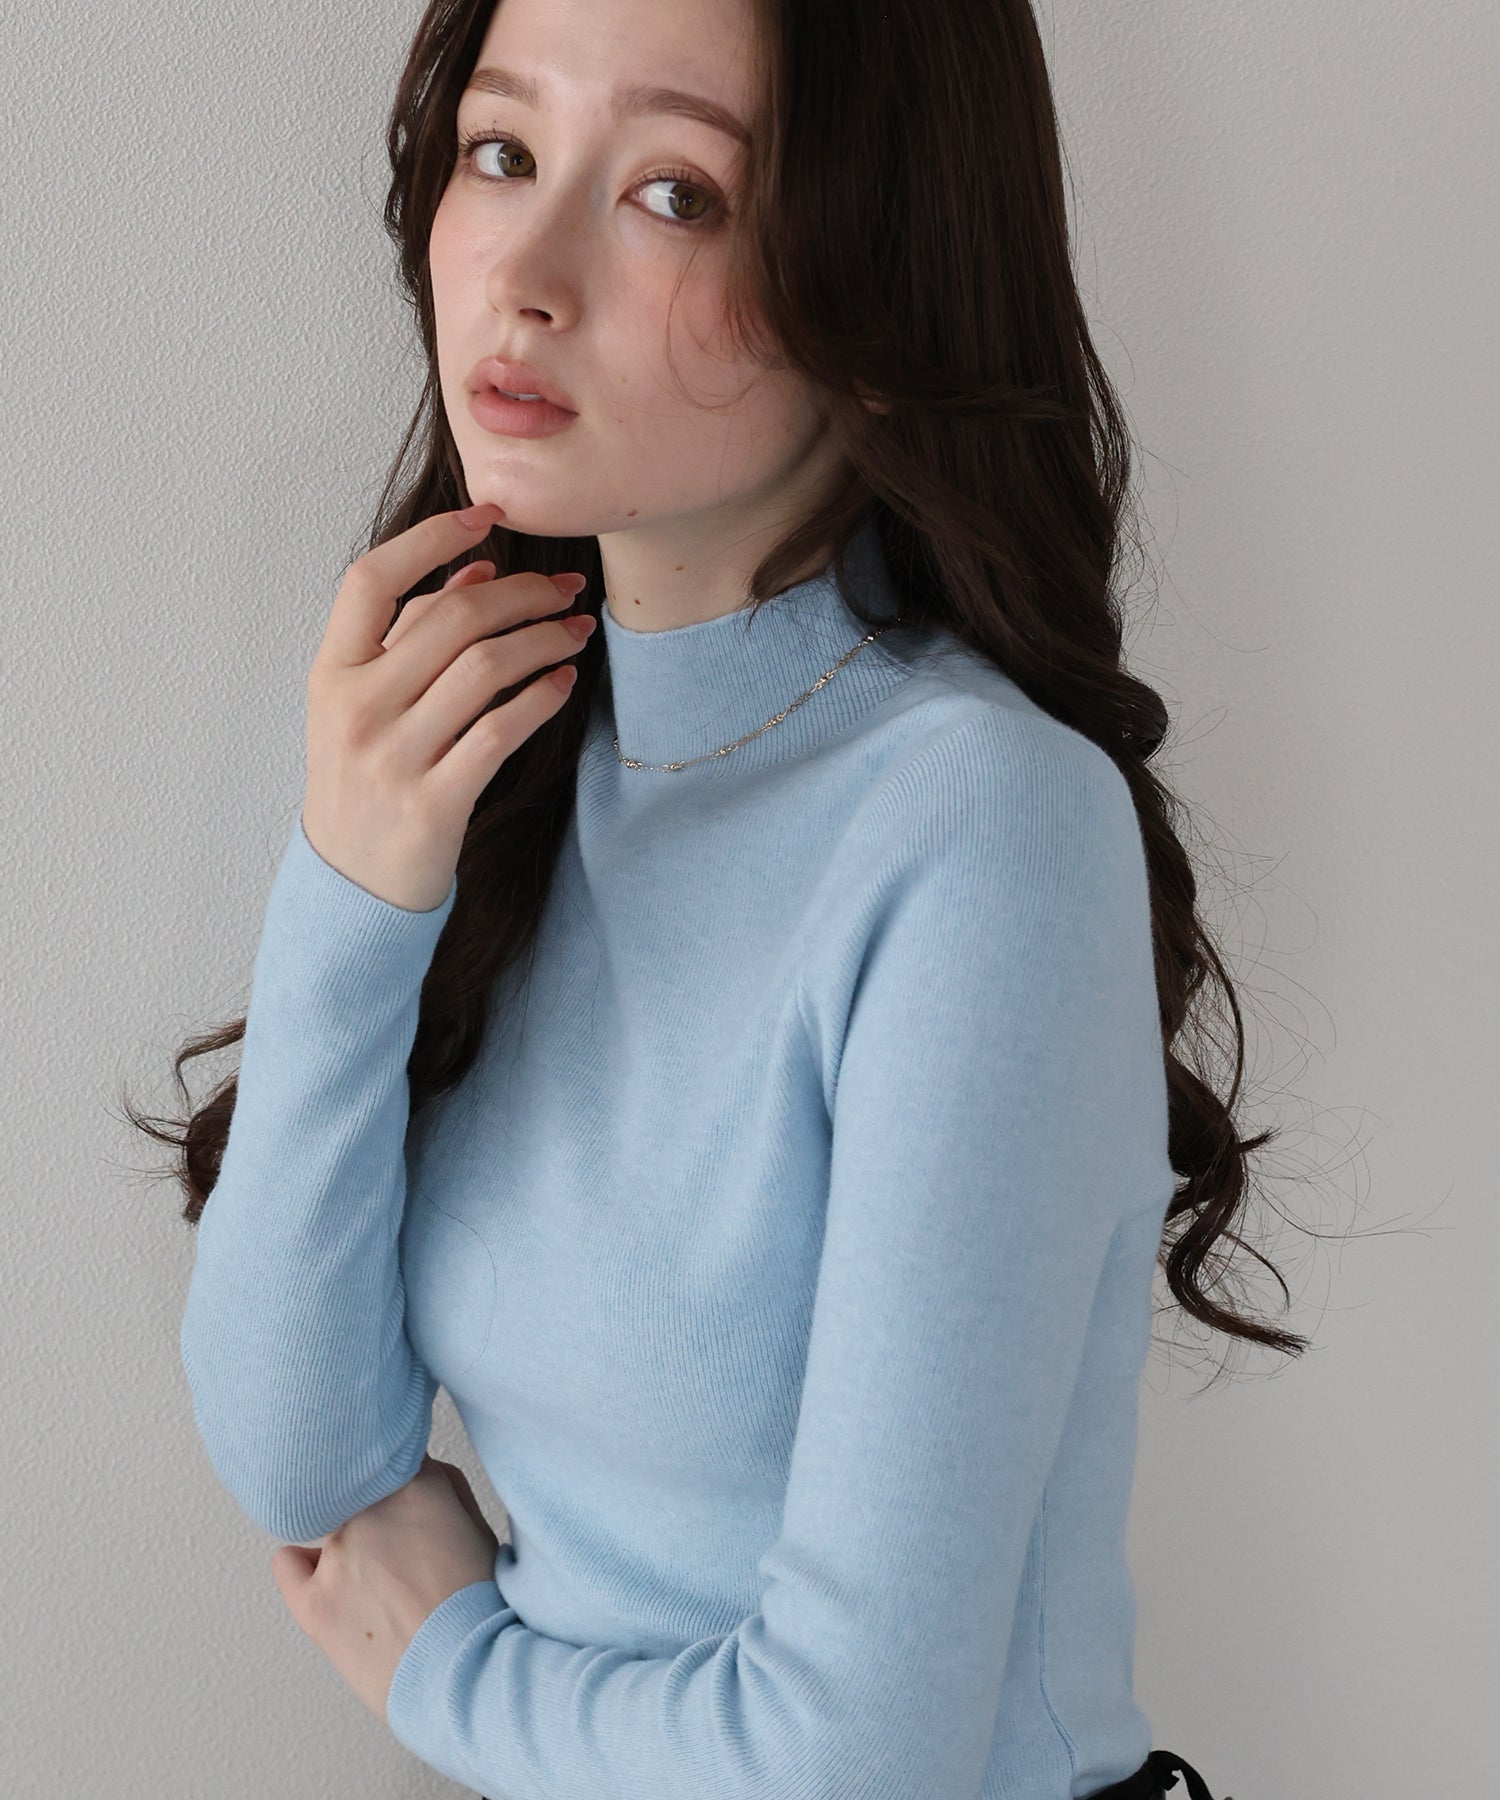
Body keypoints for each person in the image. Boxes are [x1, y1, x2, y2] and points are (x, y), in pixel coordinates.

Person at [143, 0, 1310, 1792]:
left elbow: (860, 1758)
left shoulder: (982, 824)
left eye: (675, 193)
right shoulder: (513, 773)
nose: (525, 276)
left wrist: (450, 1673)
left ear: (885, 287)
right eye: (502, 151)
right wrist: (352, 887)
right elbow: (309, 1471)